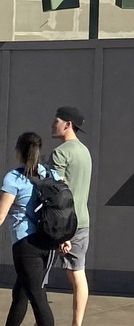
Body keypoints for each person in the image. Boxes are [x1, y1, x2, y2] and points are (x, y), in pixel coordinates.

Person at [1, 132, 56, 326]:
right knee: (21, 293)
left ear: (18, 151)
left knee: (37, 298)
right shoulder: (51, 174)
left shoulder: (14, 178)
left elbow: (1, 214)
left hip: (26, 244)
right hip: (49, 242)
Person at [49, 106, 93, 326]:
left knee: (39, 274)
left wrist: (62, 233)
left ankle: (42, 319)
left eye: (56, 121)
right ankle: (77, 323)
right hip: (82, 220)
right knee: (78, 274)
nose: (52, 124)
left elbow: (57, 193)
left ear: (67, 124)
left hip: (63, 223)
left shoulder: (60, 153)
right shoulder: (85, 152)